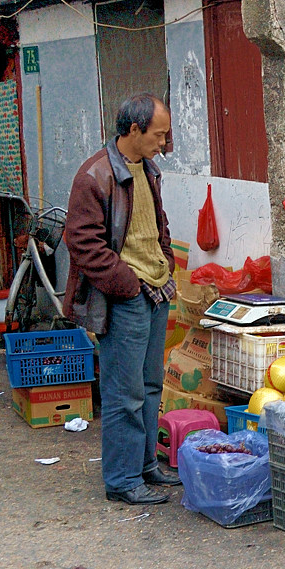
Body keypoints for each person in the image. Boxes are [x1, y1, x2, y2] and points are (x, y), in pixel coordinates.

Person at [64, 93, 180, 505]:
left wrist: (165, 262)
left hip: (156, 290)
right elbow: (82, 243)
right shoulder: (94, 176)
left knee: (150, 387)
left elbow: (157, 224)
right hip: (126, 297)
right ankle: (122, 480)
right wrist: (128, 284)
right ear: (134, 130)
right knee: (123, 393)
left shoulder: (147, 169)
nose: (164, 144)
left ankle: (145, 465)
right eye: (160, 135)